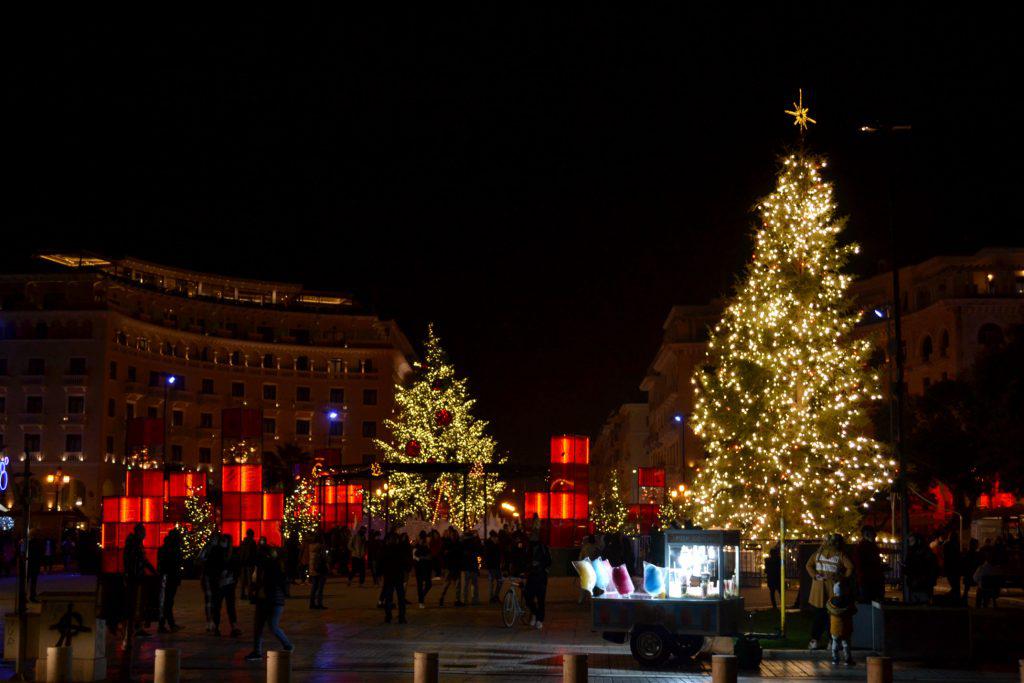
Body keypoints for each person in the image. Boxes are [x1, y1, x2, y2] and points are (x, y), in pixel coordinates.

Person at [805, 534, 854, 650]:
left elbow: (808, 565)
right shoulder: (840, 554)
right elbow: (850, 567)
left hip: (818, 591)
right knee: (831, 617)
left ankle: (814, 641)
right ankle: (831, 641)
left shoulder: (818, 553)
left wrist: (815, 576)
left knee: (818, 615)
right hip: (833, 590)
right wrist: (842, 578)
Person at [245, 547, 293, 662]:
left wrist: (255, 590)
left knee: (268, 626)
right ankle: (285, 645)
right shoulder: (276, 566)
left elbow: (264, 583)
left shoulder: (269, 567)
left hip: (270, 600)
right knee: (266, 626)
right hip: (272, 600)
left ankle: (285, 645)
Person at [123, 523, 157, 641]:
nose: (145, 534)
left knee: (135, 602)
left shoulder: (133, 543)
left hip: (135, 576)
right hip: (135, 577)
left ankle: (133, 627)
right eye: (143, 532)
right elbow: (141, 560)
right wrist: (152, 570)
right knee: (136, 602)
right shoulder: (135, 544)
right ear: (139, 532)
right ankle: (135, 627)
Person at [212, 534, 242, 637]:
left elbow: (237, 567)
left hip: (229, 584)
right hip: (219, 584)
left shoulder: (232, 553)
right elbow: (212, 566)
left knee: (230, 606)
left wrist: (232, 576)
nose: (223, 543)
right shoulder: (216, 552)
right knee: (217, 606)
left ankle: (233, 626)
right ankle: (216, 627)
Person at [380, 532, 411, 623]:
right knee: (400, 597)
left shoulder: (386, 549)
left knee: (389, 597)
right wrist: (406, 569)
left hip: (389, 576)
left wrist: (380, 573)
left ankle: (388, 616)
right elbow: (404, 562)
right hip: (398, 576)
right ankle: (401, 616)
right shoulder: (399, 549)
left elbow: (381, 562)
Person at [157, 528, 184, 633]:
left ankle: (166, 623)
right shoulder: (174, 550)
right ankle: (166, 624)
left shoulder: (164, 548)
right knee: (168, 601)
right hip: (171, 578)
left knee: (166, 601)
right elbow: (175, 564)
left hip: (167, 577)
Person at [523, 534, 552, 629]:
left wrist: (539, 565)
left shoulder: (543, 548)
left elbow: (549, 561)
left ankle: (539, 620)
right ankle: (535, 613)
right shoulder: (528, 548)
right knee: (528, 597)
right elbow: (524, 560)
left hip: (541, 577)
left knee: (540, 600)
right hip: (531, 576)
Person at [826, 579, 856, 666]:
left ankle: (835, 659)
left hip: (835, 628)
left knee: (835, 644)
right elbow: (854, 611)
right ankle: (848, 660)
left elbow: (828, 609)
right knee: (846, 645)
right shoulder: (848, 602)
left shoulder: (831, 602)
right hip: (846, 628)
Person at [852, 526, 885, 604]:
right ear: (867, 534)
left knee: (869, 603)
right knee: (869, 603)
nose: (875, 535)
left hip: (870, 580)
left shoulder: (867, 547)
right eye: (873, 533)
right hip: (868, 581)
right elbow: (860, 565)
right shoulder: (863, 548)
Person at [202, 531, 226, 634]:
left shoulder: (211, 548)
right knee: (211, 600)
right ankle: (210, 621)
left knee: (211, 600)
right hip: (211, 576)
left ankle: (211, 622)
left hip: (211, 576)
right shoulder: (212, 548)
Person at [905, 533, 939, 604]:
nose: (910, 543)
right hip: (916, 584)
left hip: (922, 585)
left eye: (912, 541)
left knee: (923, 603)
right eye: (909, 541)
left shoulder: (924, 552)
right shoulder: (912, 552)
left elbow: (929, 568)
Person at [438, 527, 463, 607]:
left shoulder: (457, 543)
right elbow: (443, 553)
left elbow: (459, 552)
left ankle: (457, 600)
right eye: (452, 535)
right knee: (447, 583)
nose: (453, 536)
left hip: (456, 565)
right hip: (450, 566)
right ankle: (441, 598)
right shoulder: (447, 543)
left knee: (457, 584)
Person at [304, 532, 328, 609]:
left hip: (313, 568)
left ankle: (312, 603)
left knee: (314, 587)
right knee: (320, 587)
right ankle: (319, 603)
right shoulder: (321, 546)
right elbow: (324, 557)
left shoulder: (310, 546)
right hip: (320, 568)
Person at [461, 530, 481, 606]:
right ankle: (474, 599)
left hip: (466, 567)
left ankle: (465, 599)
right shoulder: (474, 543)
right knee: (474, 584)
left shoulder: (463, 543)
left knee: (465, 585)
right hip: (473, 566)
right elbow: (478, 552)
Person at [413, 531, 433, 608]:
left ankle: (421, 597)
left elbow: (430, 555)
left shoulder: (426, 545)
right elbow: (414, 557)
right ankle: (421, 601)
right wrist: (423, 558)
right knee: (420, 584)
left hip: (426, 567)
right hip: (420, 567)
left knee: (428, 584)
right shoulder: (417, 546)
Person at [942, 531, 962, 603]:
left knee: (954, 584)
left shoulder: (946, 544)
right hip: (956, 567)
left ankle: (953, 597)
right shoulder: (956, 544)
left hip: (949, 566)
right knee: (956, 584)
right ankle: (956, 598)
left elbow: (945, 556)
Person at [238, 529, 258, 598]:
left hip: (243, 563)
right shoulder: (252, 542)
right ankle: (250, 594)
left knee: (243, 579)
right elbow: (255, 553)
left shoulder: (243, 542)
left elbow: (240, 553)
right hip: (250, 563)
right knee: (250, 579)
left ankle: (242, 593)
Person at [961, 538, 981, 606]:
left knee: (966, 589)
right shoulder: (975, 554)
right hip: (972, 574)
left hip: (968, 575)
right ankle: (977, 604)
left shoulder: (968, 553)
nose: (978, 545)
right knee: (976, 588)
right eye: (977, 544)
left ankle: (964, 602)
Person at [484, 530, 503, 603]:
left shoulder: (497, 544)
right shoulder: (488, 544)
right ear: (492, 537)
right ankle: (492, 597)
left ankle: (495, 595)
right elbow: (488, 555)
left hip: (497, 566)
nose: (497, 539)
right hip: (491, 566)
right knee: (491, 582)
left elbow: (499, 554)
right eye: (495, 537)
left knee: (500, 581)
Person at [765, 543, 782, 610]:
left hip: (771, 579)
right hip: (777, 578)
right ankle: (782, 605)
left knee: (772, 593)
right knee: (780, 592)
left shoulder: (767, 560)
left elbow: (766, 570)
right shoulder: (779, 560)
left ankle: (774, 606)